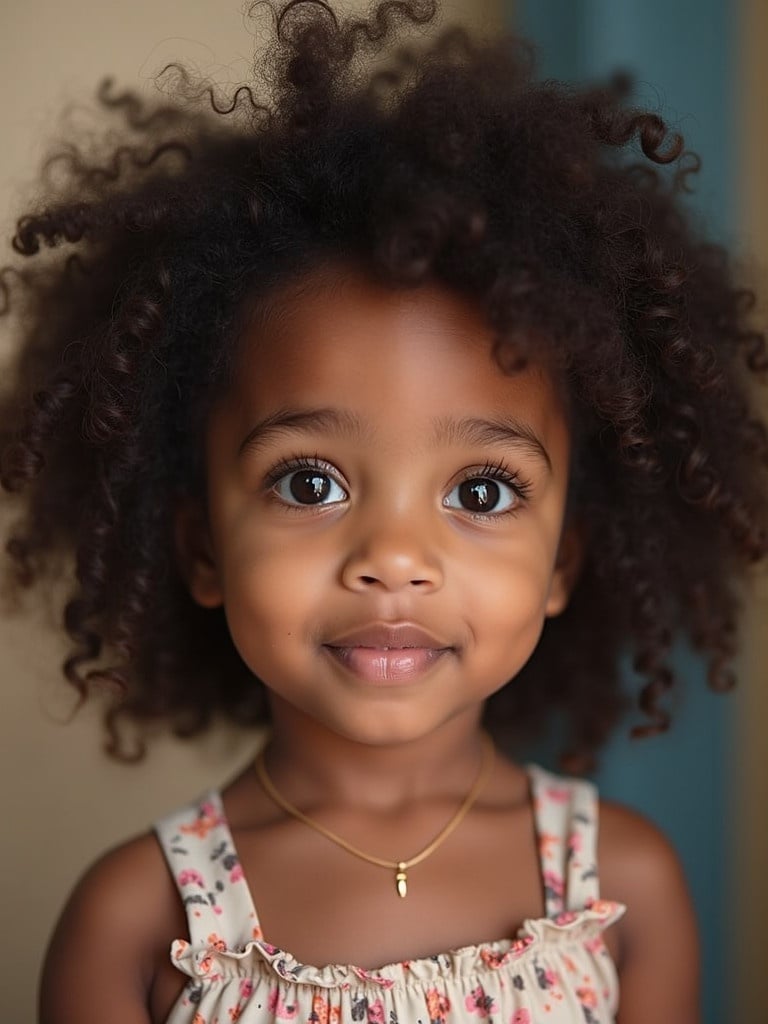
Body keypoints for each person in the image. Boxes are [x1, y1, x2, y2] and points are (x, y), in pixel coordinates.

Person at [1, 1, 765, 1021]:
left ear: (562, 566)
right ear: (200, 546)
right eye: (309, 482)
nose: (395, 556)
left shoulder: (625, 893)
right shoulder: (141, 923)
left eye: (481, 491)